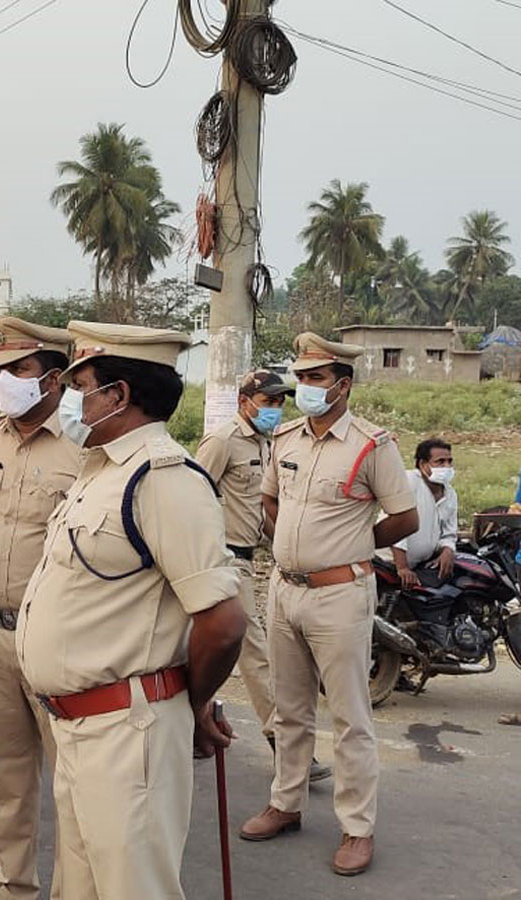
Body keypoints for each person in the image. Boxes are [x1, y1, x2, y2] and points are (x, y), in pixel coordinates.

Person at [17, 321, 246, 899]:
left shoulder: (164, 478)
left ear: (117, 396)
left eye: (81, 385)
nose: (69, 400)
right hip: (77, 726)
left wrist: (193, 703)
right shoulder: (99, 472)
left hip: (127, 731)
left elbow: (222, 623)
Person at [240, 332, 418, 878]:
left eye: (314, 378)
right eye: (301, 377)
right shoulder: (289, 438)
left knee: (349, 717)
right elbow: (269, 497)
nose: (303, 387)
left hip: (340, 594)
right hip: (286, 589)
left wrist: (353, 546)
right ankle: (285, 803)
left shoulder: (372, 444)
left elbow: (405, 517)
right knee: (288, 707)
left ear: (342, 385)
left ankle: (357, 828)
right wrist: (288, 539)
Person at [0, 317, 84, 899]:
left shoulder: (87, 451)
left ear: (54, 380)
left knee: (71, 779)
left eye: (20, 370)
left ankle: (71, 889)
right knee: (8, 776)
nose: (6, 381)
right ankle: (11, 887)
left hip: (57, 638)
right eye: (0, 371)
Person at [195, 370, 332, 783]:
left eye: (279, 403)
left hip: (252, 558)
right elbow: (194, 493)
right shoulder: (222, 442)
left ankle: (193, 728)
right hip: (223, 560)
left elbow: (266, 509)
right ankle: (287, 749)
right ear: (245, 401)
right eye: (267, 401)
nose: (274, 409)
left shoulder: (269, 444)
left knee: (210, 652)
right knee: (255, 651)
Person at [389, 438, 457, 588]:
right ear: (422, 464)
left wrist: (447, 550)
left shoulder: (450, 493)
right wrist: (402, 567)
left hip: (419, 565)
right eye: (440, 462)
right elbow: (396, 526)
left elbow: (449, 532)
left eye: (449, 461)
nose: (447, 466)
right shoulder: (409, 482)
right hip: (390, 563)